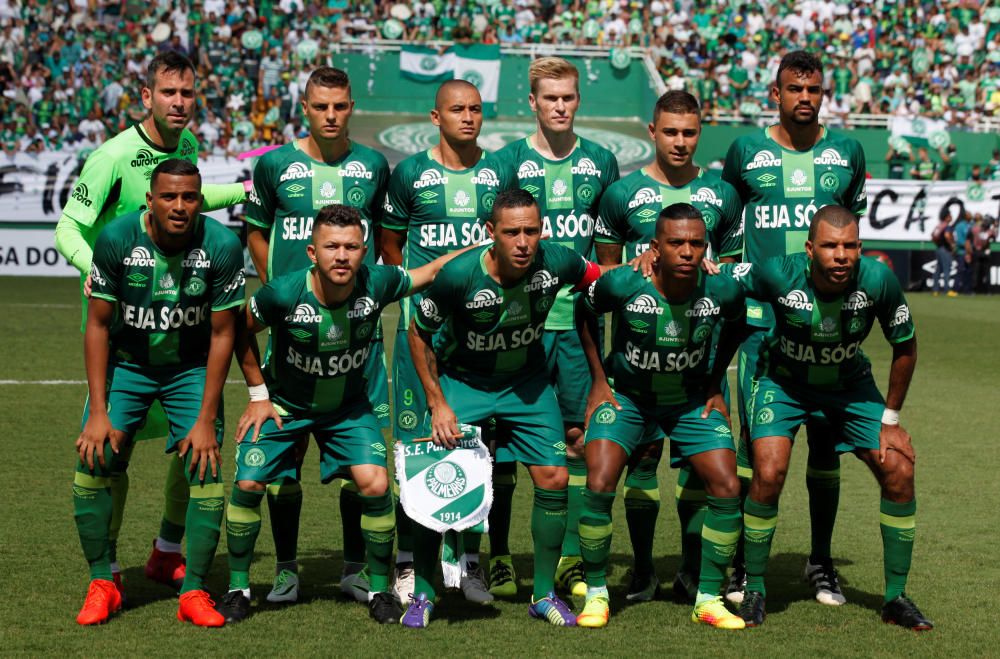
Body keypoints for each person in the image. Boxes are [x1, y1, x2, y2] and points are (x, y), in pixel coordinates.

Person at [215, 204, 472, 625]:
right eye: (331, 246)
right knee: (248, 481)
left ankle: (377, 589)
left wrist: (488, 248)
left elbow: (432, 272)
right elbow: (237, 329)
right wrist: (259, 395)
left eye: (351, 247)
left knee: (376, 483)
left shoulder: (378, 282)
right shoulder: (282, 293)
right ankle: (239, 589)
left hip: (348, 410)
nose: (341, 256)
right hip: (286, 406)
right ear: (312, 252)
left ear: (365, 251)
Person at [55, 50, 248, 599]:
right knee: (109, 453)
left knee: (189, 446)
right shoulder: (111, 156)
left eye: (188, 94)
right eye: (169, 94)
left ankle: (167, 551)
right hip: (125, 330)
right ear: (146, 97)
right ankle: (108, 570)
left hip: (180, 329)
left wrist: (241, 192)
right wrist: (104, 273)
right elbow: (68, 228)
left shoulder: (183, 147)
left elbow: (185, 197)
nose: (180, 103)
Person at [721, 206, 932, 631]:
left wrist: (890, 420)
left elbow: (905, 346)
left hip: (848, 386)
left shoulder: (877, 280)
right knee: (770, 468)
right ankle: (755, 587)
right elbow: (721, 284)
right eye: (831, 246)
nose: (841, 256)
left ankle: (895, 598)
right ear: (810, 249)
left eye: (850, 246)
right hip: (782, 383)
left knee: (900, 470)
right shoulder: (779, 273)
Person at [402, 189, 604, 628]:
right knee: (434, 484)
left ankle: (544, 593)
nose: (523, 242)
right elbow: (417, 334)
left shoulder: (559, 261)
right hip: (464, 382)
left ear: (542, 230)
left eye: (532, 231)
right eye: (511, 232)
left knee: (555, 475)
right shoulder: (458, 276)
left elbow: (600, 277)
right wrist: (437, 403)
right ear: (490, 232)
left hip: (526, 384)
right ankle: (423, 591)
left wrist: (646, 265)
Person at [722, 50, 868, 609]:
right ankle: (740, 564)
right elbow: (731, 225)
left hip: (826, 329)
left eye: (813, 89)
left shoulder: (847, 151)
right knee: (756, 453)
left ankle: (822, 561)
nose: (803, 98)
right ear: (775, 94)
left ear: (823, 94)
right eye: (793, 89)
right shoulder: (745, 151)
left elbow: (850, 229)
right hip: (762, 328)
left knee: (826, 450)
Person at [72, 159, 244, 627]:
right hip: (128, 366)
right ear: (150, 200)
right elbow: (98, 324)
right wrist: (98, 411)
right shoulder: (117, 240)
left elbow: (224, 334)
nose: (180, 206)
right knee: (94, 460)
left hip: (189, 369)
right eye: (169, 196)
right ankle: (103, 581)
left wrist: (207, 419)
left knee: (206, 469)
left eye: (190, 197)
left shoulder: (222, 245)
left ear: (200, 200)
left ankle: (193, 593)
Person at [244, 65, 390, 605]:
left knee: (363, 465)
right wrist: (275, 288)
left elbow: (385, 242)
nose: (331, 116)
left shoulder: (374, 165)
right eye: (320, 107)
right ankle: (286, 569)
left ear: (352, 107)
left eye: (341, 106)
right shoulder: (276, 164)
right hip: (295, 337)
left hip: (358, 341)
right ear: (304, 108)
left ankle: (354, 567)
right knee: (282, 463)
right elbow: (255, 230)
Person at [594, 90, 742, 604]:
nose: (680, 142)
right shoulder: (621, 194)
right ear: (651, 132)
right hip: (637, 363)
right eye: (671, 131)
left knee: (701, 466)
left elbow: (733, 278)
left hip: (698, 361)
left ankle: (692, 569)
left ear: (700, 133)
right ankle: (640, 570)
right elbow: (606, 278)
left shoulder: (723, 196)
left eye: (690, 132)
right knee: (641, 461)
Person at [575, 202, 746, 630]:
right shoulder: (625, 284)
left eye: (695, 243)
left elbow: (739, 320)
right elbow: (584, 310)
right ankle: (596, 593)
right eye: (676, 243)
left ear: (706, 247)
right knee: (599, 480)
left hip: (690, 401)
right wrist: (598, 380)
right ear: (655, 247)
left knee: (727, 484)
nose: (686, 252)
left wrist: (712, 385)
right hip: (629, 398)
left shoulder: (720, 289)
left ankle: (707, 597)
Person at [380, 79, 516, 604]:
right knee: (417, 448)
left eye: (475, 109)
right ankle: (412, 563)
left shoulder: (501, 170)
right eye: (456, 109)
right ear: (435, 117)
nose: (467, 117)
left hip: (483, 337)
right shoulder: (410, 173)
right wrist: (415, 299)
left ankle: (469, 562)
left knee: (476, 448)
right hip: (421, 335)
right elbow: (392, 248)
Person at [491, 56, 619, 599]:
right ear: (534, 103)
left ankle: (567, 556)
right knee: (499, 444)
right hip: (517, 327)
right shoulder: (508, 162)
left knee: (575, 441)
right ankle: (496, 556)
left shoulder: (601, 162)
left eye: (568, 97)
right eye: (551, 98)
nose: (560, 106)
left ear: (577, 100)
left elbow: (607, 256)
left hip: (578, 329)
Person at [930, 212, 955, 296]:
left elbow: (933, 236)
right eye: (950, 216)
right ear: (946, 217)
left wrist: (938, 244)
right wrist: (952, 244)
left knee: (938, 270)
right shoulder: (947, 226)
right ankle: (947, 290)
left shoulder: (939, 225)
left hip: (939, 248)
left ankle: (935, 290)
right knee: (946, 269)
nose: (951, 217)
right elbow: (947, 236)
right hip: (945, 249)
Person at [971, 216, 996, 293]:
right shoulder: (979, 230)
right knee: (977, 271)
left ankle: (985, 290)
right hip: (979, 251)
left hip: (982, 251)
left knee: (984, 271)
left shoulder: (976, 229)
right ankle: (976, 290)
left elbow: (993, 238)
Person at [951, 211, 973, 295]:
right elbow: (959, 240)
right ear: (965, 216)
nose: (971, 215)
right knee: (960, 270)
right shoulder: (960, 226)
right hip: (961, 252)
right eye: (969, 214)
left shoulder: (970, 224)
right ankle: (955, 290)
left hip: (969, 252)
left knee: (968, 271)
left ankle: (967, 290)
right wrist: (967, 248)